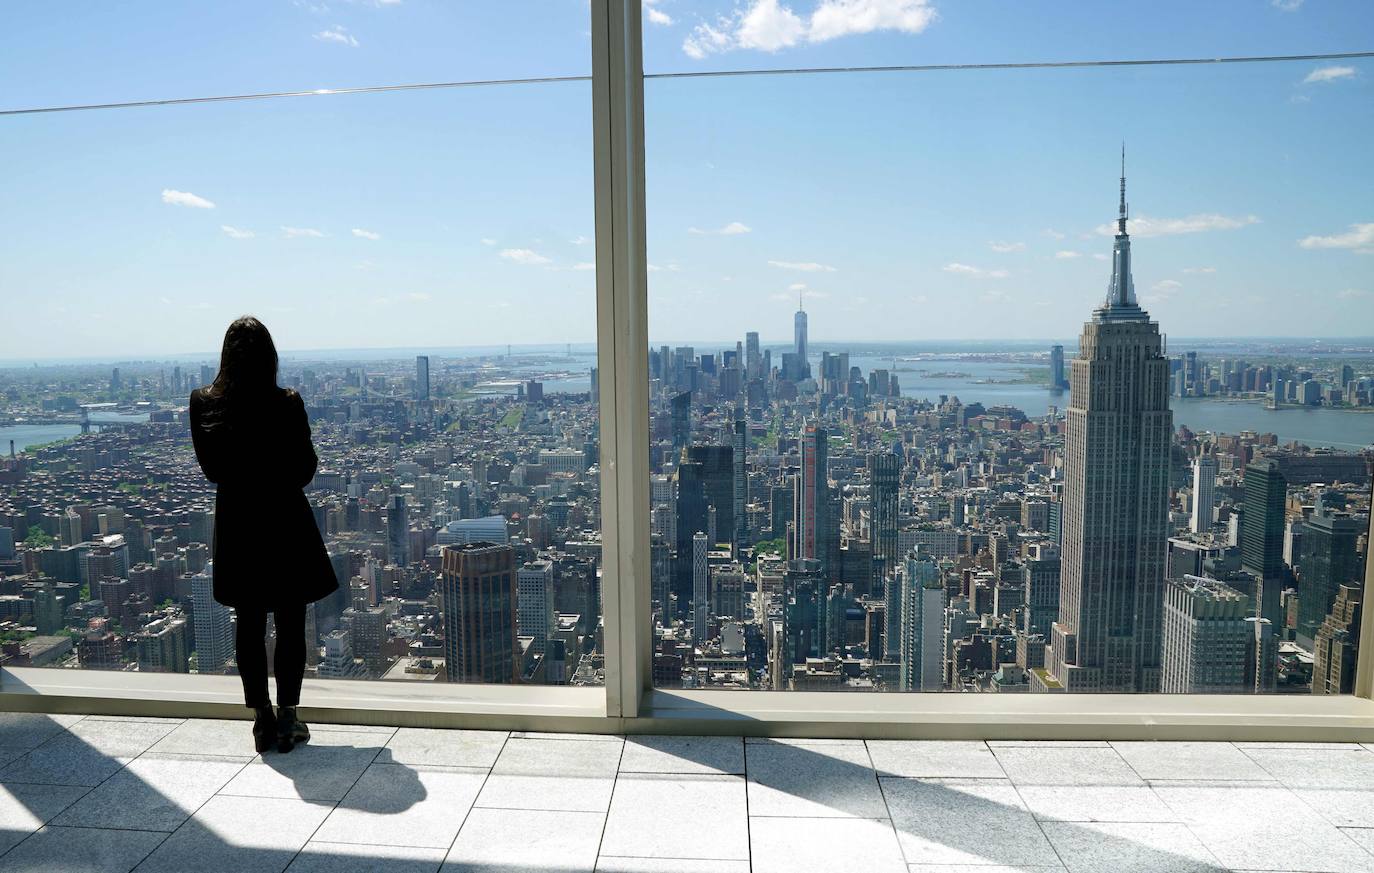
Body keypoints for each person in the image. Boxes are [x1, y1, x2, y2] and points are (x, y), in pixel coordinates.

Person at [189, 316, 338, 753]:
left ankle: (261, 718)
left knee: (249, 623)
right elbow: (306, 468)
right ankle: (290, 716)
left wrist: (246, 475)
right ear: (270, 356)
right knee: (291, 622)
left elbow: (213, 470)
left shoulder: (203, 402)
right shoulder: (287, 402)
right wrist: (276, 474)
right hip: (285, 520)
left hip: (239, 525)